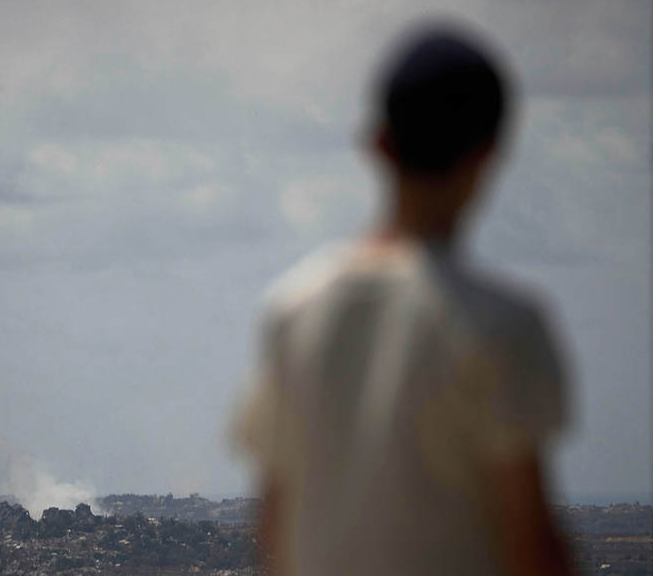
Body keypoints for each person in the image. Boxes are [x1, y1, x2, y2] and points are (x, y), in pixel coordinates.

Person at [233, 21, 575, 576]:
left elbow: (275, 523)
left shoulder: (292, 310)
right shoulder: (505, 325)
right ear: (488, 154)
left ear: (379, 143)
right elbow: (531, 546)